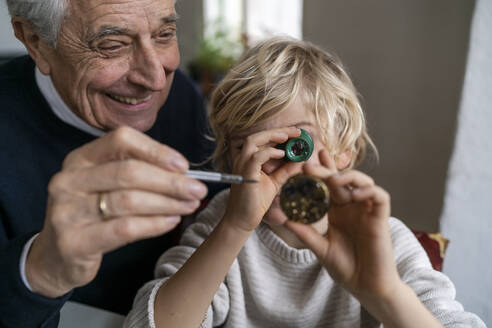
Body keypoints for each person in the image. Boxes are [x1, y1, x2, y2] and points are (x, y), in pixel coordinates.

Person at [124, 37, 486, 327]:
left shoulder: (382, 239)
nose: (271, 165)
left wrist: (385, 292)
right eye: (247, 149)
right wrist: (234, 226)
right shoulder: (219, 223)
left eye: (296, 145)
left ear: (343, 150)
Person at [0, 0, 223, 327]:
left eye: (164, 34)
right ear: (36, 42)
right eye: (112, 45)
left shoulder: (181, 99)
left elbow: (218, 209)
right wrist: (42, 271)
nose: (155, 79)